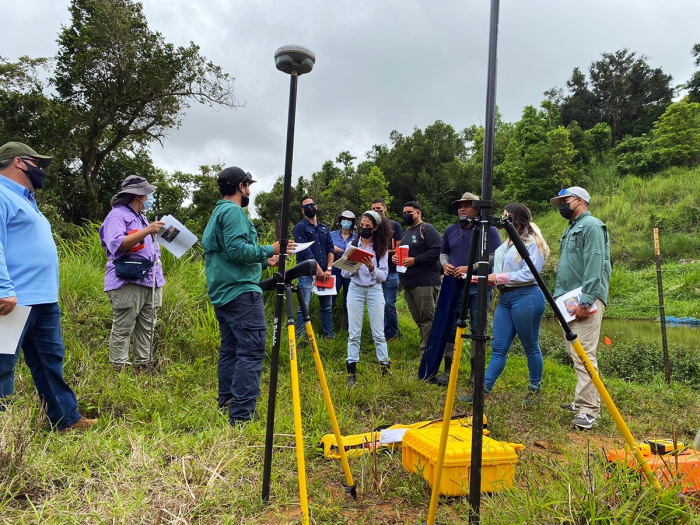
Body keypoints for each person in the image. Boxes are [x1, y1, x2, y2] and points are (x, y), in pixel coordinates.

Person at [0, 142, 96, 432]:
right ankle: (4, 428)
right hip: (14, 300)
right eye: (37, 164)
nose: (41, 170)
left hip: (42, 300)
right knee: (3, 365)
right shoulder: (2, 195)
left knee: (49, 363)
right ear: (18, 162)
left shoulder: (27, 200)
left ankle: (66, 419)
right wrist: (4, 288)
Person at [202, 166, 294, 426]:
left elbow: (227, 256)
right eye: (248, 185)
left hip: (224, 293)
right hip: (241, 293)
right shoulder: (233, 211)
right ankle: (242, 415)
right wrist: (271, 247)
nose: (249, 190)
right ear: (241, 186)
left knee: (231, 350)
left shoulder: (218, 211)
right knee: (251, 352)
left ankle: (227, 402)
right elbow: (235, 249)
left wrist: (266, 260)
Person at [464, 203, 548, 405]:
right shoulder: (506, 244)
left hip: (527, 296)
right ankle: (482, 392)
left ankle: (535, 391)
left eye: (506, 216)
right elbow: (497, 269)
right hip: (505, 298)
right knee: (499, 347)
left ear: (516, 218)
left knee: (531, 347)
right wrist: (484, 276)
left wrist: (498, 277)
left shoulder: (531, 243)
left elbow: (530, 274)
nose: (502, 220)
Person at [550, 186, 611, 430]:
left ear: (579, 200)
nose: (562, 205)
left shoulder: (592, 226)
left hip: (585, 300)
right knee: (575, 353)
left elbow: (595, 264)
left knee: (584, 353)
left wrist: (586, 301)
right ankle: (581, 401)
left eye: (565, 200)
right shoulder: (571, 228)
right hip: (569, 300)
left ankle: (589, 411)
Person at [99, 176, 166, 370]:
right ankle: (119, 366)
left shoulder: (140, 217)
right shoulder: (116, 215)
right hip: (128, 278)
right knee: (124, 325)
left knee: (148, 325)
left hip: (150, 278)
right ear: (137, 196)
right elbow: (117, 244)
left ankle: (143, 365)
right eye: (146, 194)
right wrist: (147, 231)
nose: (148, 197)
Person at [438, 192, 501, 386]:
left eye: (466, 205)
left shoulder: (489, 230)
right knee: (451, 326)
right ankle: (449, 370)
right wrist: (445, 265)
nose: (461, 209)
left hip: (477, 286)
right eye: (460, 206)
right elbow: (444, 253)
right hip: (454, 286)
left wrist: (471, 267)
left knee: (477, 327)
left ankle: (476, 372)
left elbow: (493, 257)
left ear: (477, 209)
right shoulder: (450, 230)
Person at [342, 211, 392, 386]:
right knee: (354, 333)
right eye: (361, 226)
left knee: (378, 332)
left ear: (375, 228)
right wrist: (354, 267)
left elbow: (383, 276)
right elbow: (344, 273)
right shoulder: (352, 245)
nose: (364, 229)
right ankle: (351, 372)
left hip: (374, 290)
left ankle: (385, 366)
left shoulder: (380, 249)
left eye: (367, 227)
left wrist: (371, 268)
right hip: (355, 289)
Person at [391, 201, 442, 356]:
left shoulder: (427, 229)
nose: (406, 215)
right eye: (404, 212)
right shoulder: (407, 233)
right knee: (419, 319)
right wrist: (396, 258)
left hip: (425, 281)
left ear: (418, 213)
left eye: (409, 212)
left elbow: (437, 250)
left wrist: (416, 260)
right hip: (409, 282)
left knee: (428, 318)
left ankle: (427, 352)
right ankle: (427, 347)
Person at [292, 196, 335, 339]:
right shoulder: (300, 228)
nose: (309, 207)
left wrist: (328, 269)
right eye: (306, 206)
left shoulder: (324, 228)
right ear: (302, 210)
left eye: (311, 205)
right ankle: (302, 338)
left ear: (316, 206)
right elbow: (306, 253)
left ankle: (329, 335)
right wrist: (319, 270)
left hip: (325, 272)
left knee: (327, 306)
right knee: (304, 306)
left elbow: (330, 249)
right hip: (306, 272)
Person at [371, 198, 403, 340]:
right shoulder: (371, 227)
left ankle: (393, 333)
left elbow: (399, 249)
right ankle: (381, 332)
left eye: (379, 208)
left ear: (385, 208)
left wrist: (382, 251)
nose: (376, 211)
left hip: (391, 270)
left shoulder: (395, 226)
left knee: (389, 303)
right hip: (374, 271)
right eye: (373, 209)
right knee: (378, 303)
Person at [330, 210, 357, 332]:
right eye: (344, 219)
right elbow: (327, 249)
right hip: (335, 270)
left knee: (349, 301)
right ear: (340, 221)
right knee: (330, 299)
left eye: (349, 220)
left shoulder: (357, 237)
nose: (346, 222)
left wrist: (340, 251)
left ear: (352, 222)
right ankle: (326, 327)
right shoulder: (331, 235)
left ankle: (345, 329)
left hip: (350, 272)